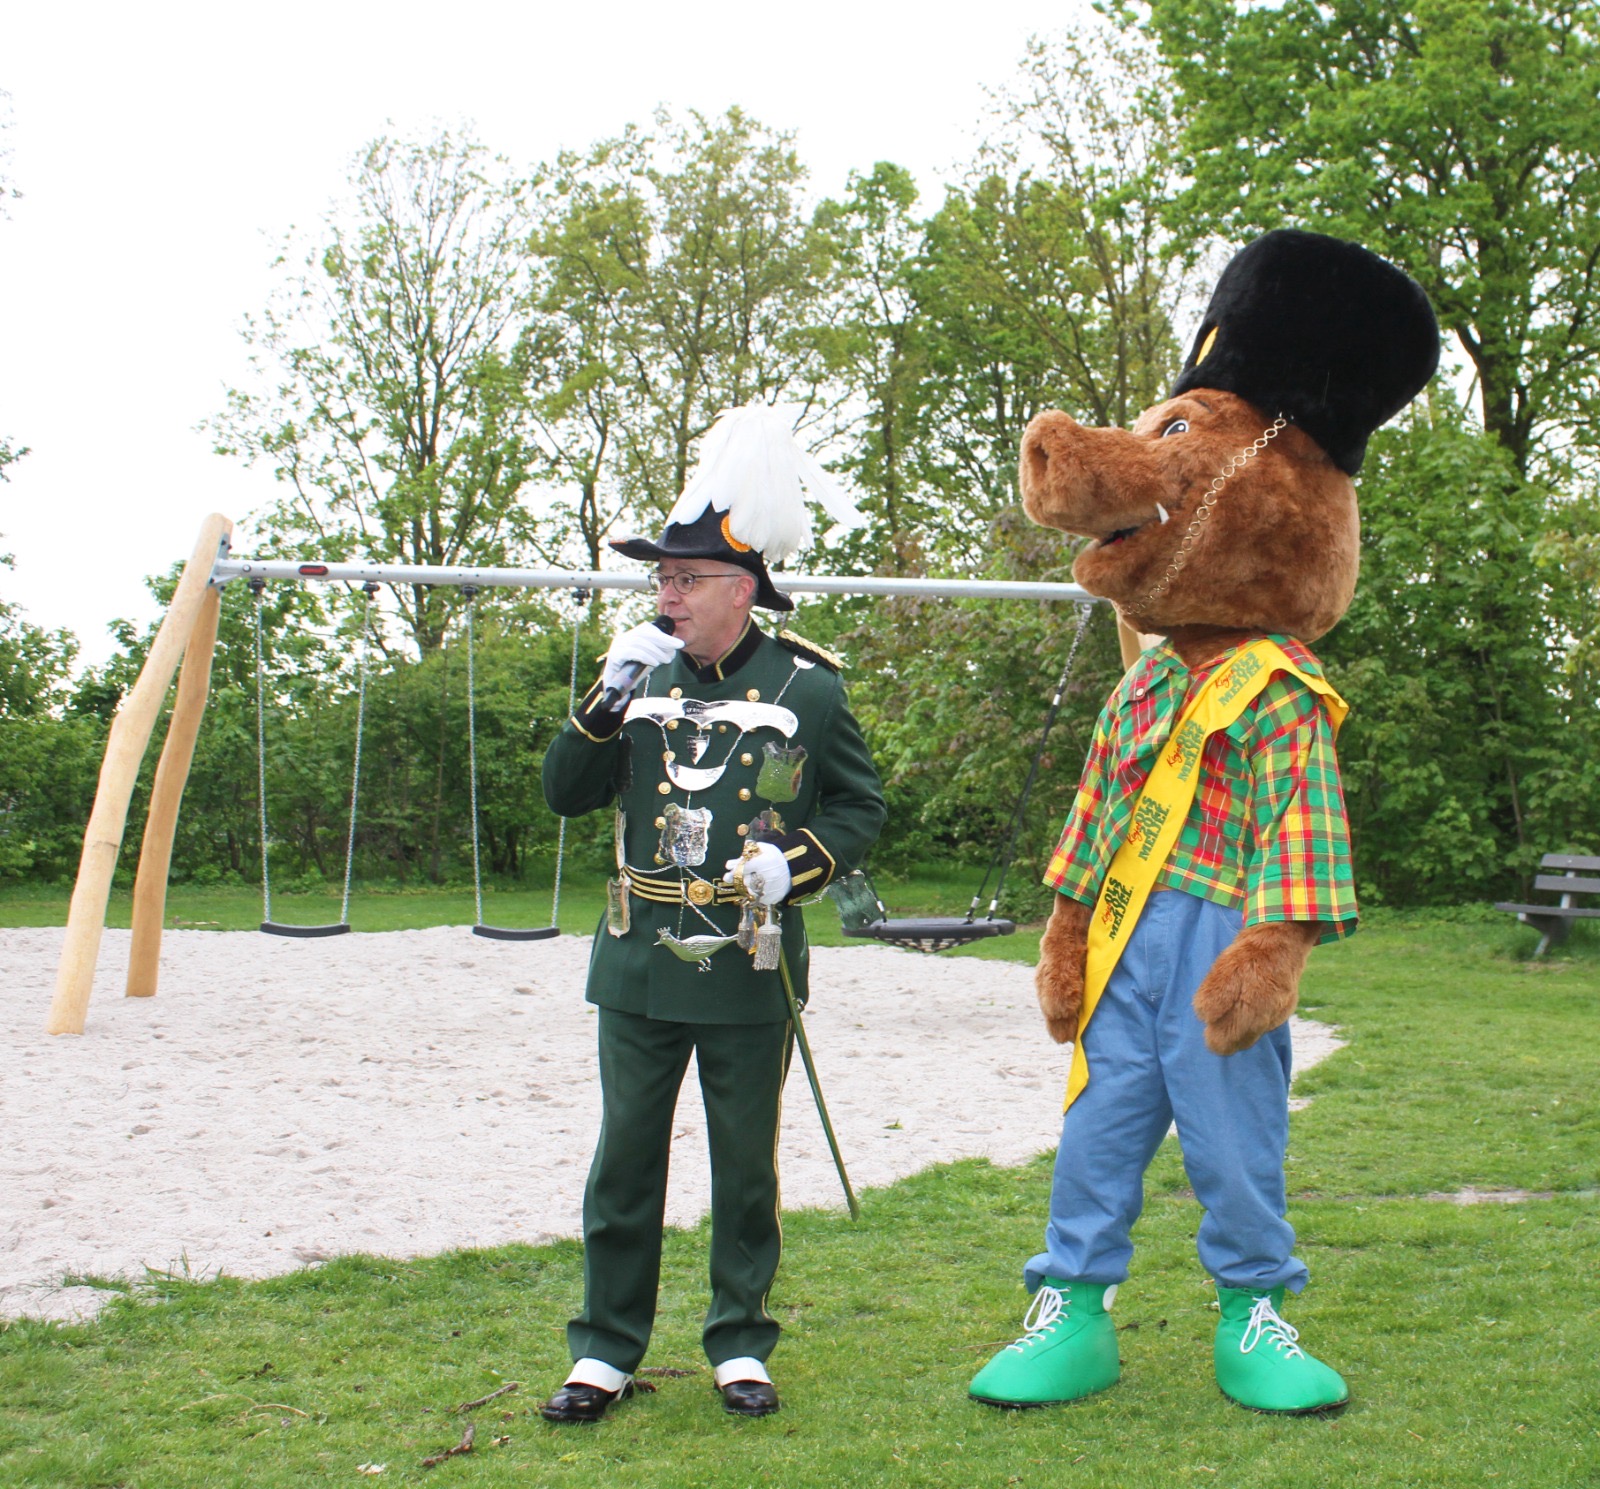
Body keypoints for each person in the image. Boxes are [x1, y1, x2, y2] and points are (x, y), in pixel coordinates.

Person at [538, 407, 885, 1423]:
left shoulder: (807, 687)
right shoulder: (633, 675)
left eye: (685, 579)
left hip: (745, 955)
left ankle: (739, 1341)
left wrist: (795, 863)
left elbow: (860, 806)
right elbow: (564, 792)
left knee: (742, 1167)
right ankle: (605, 1349)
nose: (666, 595)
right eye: (662, 578)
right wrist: (605, 699)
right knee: (624, 1161)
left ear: (742, 587)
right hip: (637, 958)